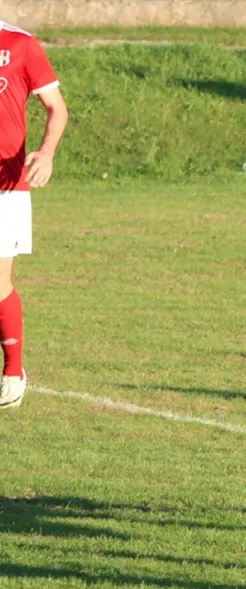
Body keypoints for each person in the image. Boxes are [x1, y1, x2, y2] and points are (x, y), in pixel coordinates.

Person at [0, 21, 68, 409]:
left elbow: (56, 108)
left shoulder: (20, 43)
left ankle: (12, 374)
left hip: (5, 186)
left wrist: (46, 152)